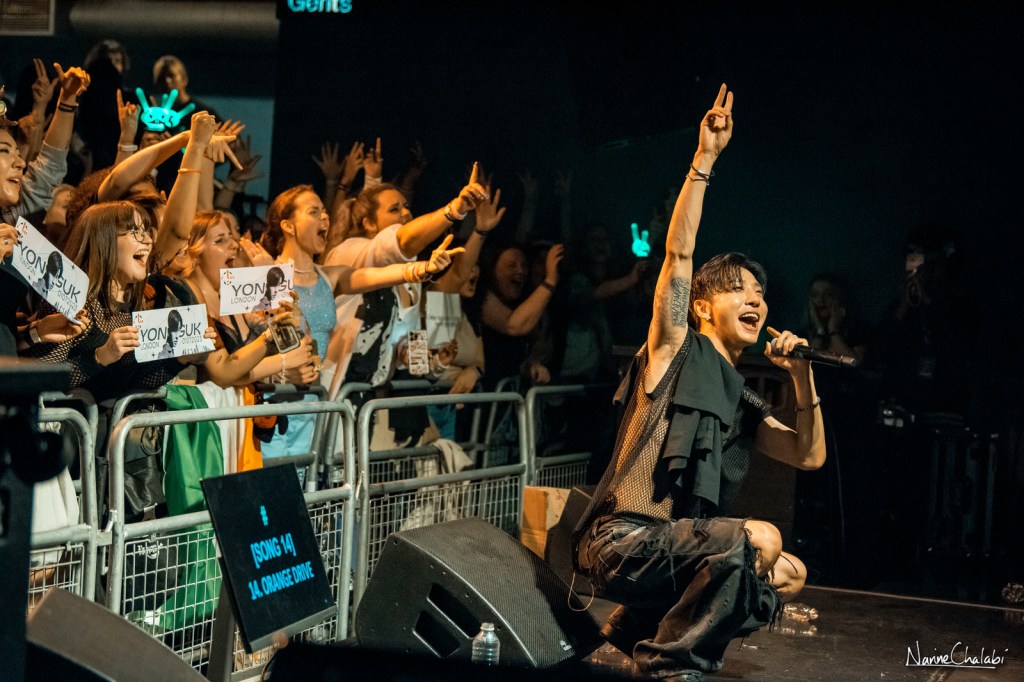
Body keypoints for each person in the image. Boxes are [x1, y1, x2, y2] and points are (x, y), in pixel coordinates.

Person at [571, 84, 826, 679]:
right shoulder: (672, 350)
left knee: (788, 572)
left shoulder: (740, 395)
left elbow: (808, 455)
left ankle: (635, 628)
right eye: (739, 288)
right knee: (756, 540)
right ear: (703, 308)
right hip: (621, 539)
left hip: (675, 548)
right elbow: (679, 257)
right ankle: (671, 664)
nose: (755, 300)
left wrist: (803, 374)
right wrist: (704, 159)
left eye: (760, 293)